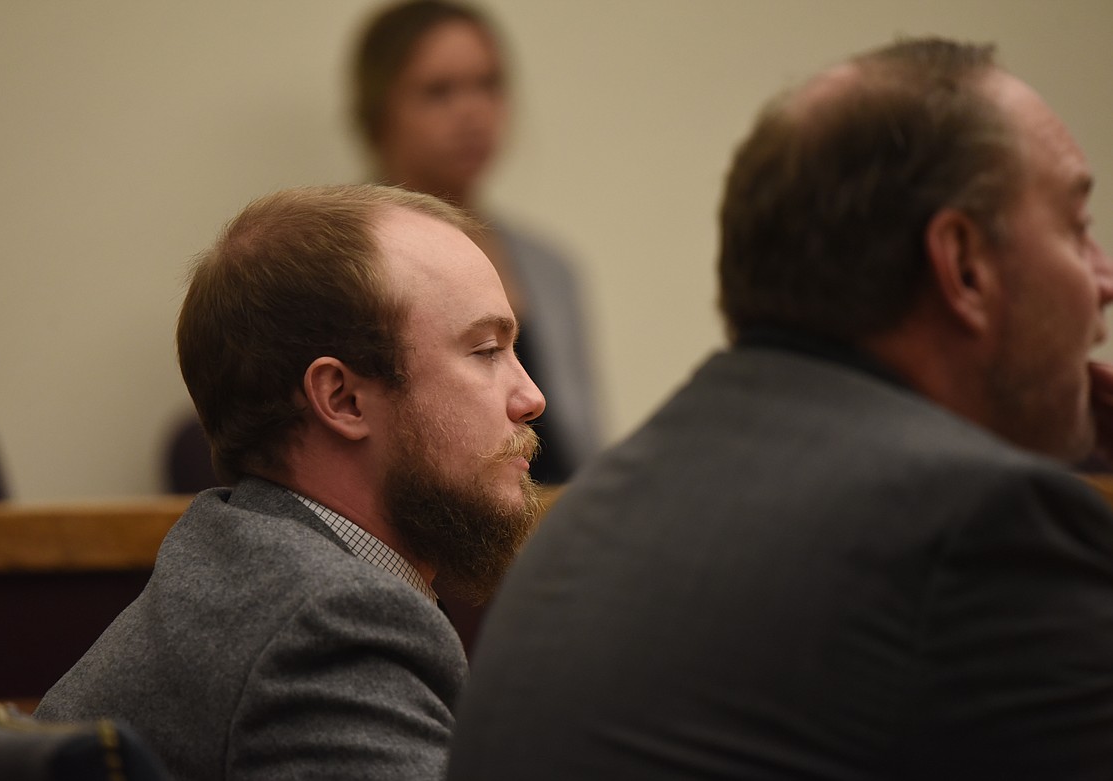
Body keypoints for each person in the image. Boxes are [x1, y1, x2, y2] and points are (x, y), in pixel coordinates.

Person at [446, 38, 1113, 779]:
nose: (1103, 277)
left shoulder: (598, 506)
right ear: (963, 265)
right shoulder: (984, 521)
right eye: (1076, 228)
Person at [36, 184, 547, 780]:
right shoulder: (329, 629)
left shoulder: (245, 568)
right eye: (486, 350)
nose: (531, 397)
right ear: (343, 398)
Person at [350, 0, 601, 486]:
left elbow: (583, 445)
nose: (472, 113)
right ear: (379, 111)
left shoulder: (550, 268)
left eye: (488, 85)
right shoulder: (346, 262)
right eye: (438, 91)